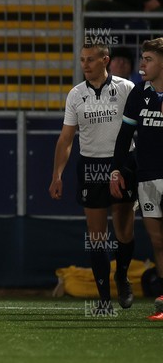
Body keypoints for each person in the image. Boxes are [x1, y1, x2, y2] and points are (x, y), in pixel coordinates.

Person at [49, 43, 136, 312]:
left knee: (124, 231)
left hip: (122, 164)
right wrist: (57, 175)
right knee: (97, 236)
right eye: (82, 60)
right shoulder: (75, 95)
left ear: (105, 60)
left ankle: (121, 276)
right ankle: (104, 300)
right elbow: (66, 138)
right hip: (90, 166)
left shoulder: (125, 89)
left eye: (90, 59)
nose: (85, 65)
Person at [110, 37, 163, 321]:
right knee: (157, 241)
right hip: (148, 178)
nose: (141, 64)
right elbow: (124, 137)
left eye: (149, 59)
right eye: (142, 58)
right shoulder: (139, 93)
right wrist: (117, 170)